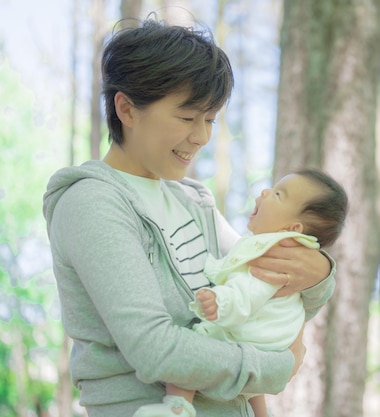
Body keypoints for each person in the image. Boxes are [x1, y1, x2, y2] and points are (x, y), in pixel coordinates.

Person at [42, 17, 336, 417]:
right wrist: (277, 368)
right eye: (186, 117)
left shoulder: (193, 201)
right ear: (127, 108)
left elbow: (272, 290)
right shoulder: (93, 202)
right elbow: (156, 350)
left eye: (210, 119)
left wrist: (320, 271)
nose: (201, 136)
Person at [134, 169, 348, 417]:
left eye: (278, 194)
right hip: (268, 342)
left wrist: (220, 302)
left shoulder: (270, 253)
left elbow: (249, 291)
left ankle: (177, 407)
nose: (265, 192)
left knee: (195, 344)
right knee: (248, 385)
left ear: (292, 228)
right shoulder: (266, 246)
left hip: (257, 334)